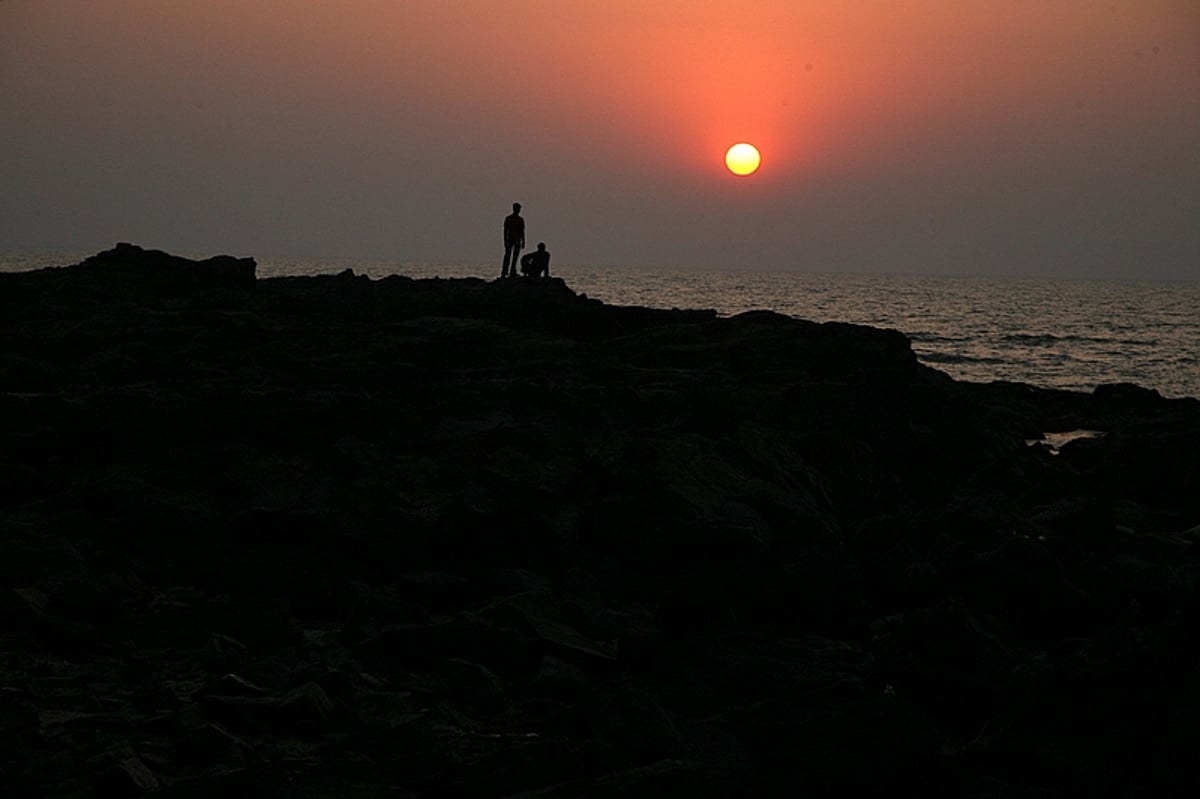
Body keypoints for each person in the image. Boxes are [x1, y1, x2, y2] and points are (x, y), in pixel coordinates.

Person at [501, 202, 525, 278]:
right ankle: (505, 272)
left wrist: (523, 240)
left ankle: (512, 271)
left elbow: (522, 231)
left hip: (517, 240)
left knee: (515, 256)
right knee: (508, 256)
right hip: (511, 239)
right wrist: (505, 240)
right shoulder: (509, 218)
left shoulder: (520, 219)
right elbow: (505, 230)